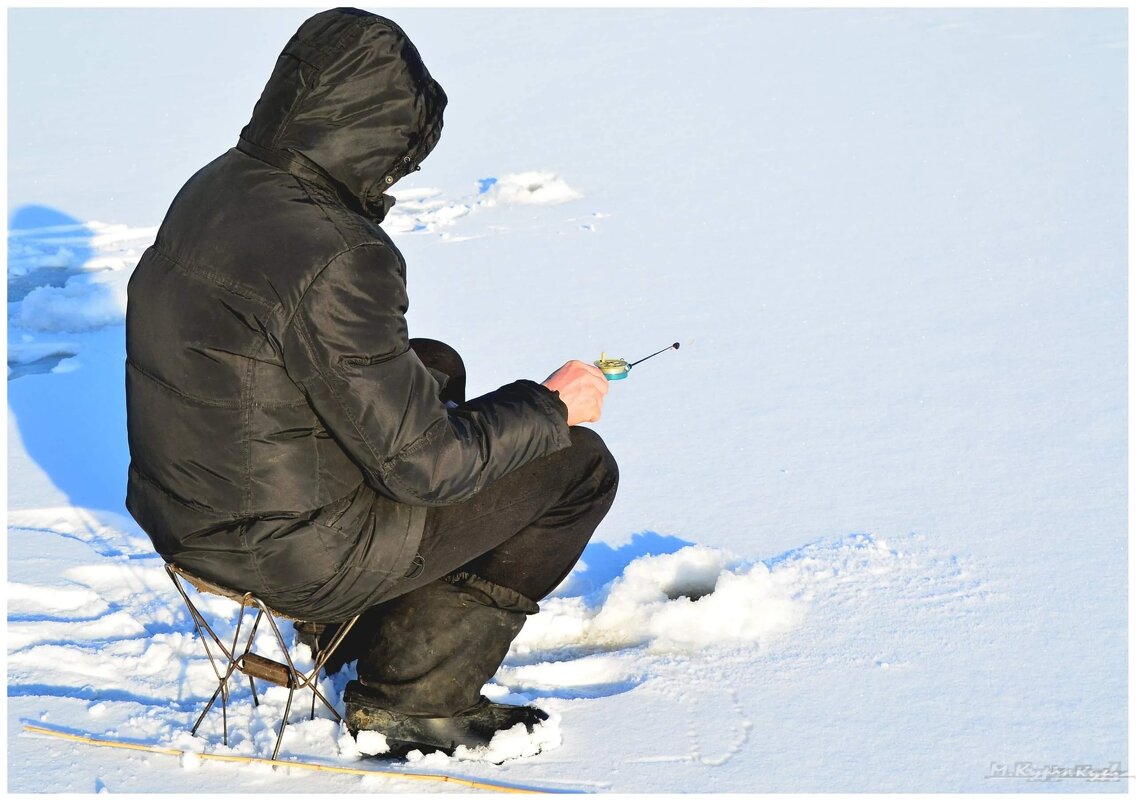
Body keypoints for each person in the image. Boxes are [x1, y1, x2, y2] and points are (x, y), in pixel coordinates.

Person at [125, 7, 617, 756]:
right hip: (286, 551)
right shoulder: (339, 252)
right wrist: (551, 407)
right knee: (578, 467)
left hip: (187, 509)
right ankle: (413, 693)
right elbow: (426, 466)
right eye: (399, 152)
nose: (399, 172)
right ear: (371, 131)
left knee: (436, 364)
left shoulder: (219, 184)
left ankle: (349, 628)